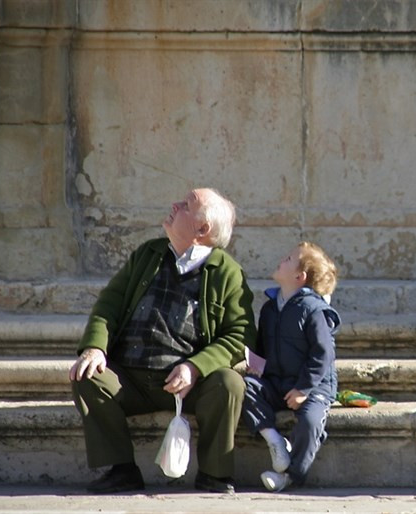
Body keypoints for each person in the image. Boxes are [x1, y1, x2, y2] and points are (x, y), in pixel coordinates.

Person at [69, 188, 257, 494]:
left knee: (229, 384)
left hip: (189, 386)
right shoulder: (149, 254)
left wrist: (195, 368)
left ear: (202, 229)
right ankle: (122, 470)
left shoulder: (228, 272)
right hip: (131, 378)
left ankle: (215, 474)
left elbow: (240, 336)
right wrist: (95, 347)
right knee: (87, 376)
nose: (174, 204)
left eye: (186, 205)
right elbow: (109, 304)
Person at [242, 242, 340, 492]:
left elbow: (323, 353)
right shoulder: (269, 308)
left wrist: (304, 388)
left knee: (309, 422)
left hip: (313, 387)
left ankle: (291, 475)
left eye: (287, 259)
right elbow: (264, 346)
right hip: (277, 382)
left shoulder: (313, 310)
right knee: (244, 387)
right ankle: (275, 441)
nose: (281, 260)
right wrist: (257, 366)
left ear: (300, 276)